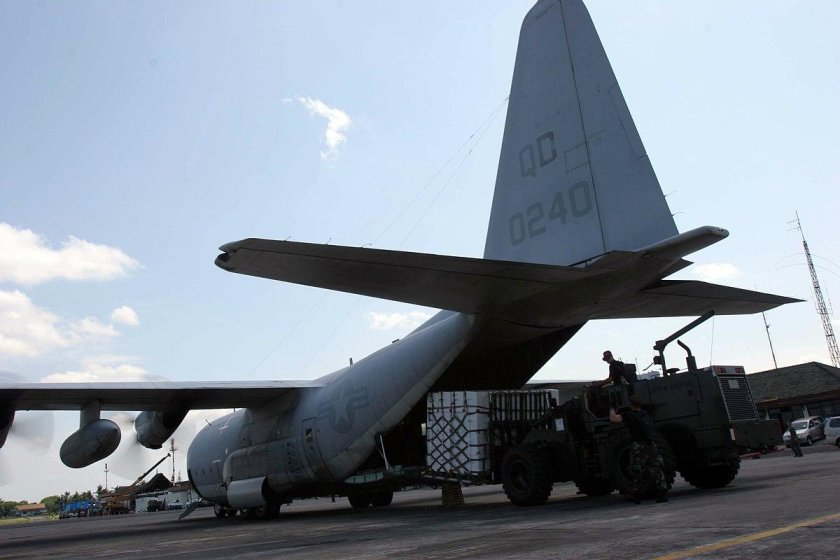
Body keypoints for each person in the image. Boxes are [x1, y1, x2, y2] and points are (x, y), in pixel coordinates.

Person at [610, 394, 669, 503]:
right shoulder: (646, 414)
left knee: (637, 470)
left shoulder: (629, 415)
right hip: (651, 444)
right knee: (656, 469)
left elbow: (614, 419)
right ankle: (662, 493)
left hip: (638, 445)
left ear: (630, 404)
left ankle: (637, 495)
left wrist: (612, 409)